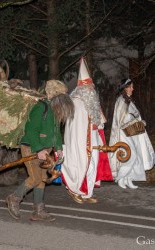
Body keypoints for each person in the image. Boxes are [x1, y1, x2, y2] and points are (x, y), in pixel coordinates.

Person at [6, 80, 74, 221]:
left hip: (45, 150)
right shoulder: (40, 107)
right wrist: (38, 149)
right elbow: (31, 130)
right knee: (35, 178)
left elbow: (56, 133)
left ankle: (38, 211)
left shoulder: (55, 109)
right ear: (54, 94)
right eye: (62, 94)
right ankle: (14, 198)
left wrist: (59, 149)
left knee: (42, 179)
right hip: (31, 148)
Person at [61, 57, 113, 204]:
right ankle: (74, 189)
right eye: (89, 86)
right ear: (82, 88)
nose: (92, 89)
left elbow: (100, 121)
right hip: (81, 140)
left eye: (92, 86)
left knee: (92, 166)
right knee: (80, 164)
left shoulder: (92, 102)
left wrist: (98, 125)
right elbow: (76, 125)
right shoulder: (76, 101)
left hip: (93, 139)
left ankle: (87, 192)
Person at [109, 78, 155, 189]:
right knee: (131, 155)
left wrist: (139, 121)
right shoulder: (121, 101)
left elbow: (134, 115)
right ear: (125, 88)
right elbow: (122, 120)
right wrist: (136, 121)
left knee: (136, 156)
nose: (132, 89)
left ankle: (128, 179)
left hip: (132, 132)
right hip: (124, 134)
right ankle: (120, 177)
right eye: (130, 87)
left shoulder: (128, 100)